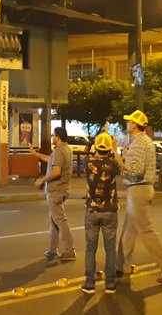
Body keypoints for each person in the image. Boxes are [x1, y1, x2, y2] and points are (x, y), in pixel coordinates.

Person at [117, 110, 162, 283]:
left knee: (146, 231)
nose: (127, 124)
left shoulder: (139, 143)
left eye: (129, 121)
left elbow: (136, 170)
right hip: (140, 189)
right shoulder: (143, 141)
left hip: (138, 189)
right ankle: (122, 267)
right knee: (129, 232)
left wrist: (119, 161)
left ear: (135, 124)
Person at [81, 132, 120, 295]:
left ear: (96, 147)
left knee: (90, 249)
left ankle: (90, 284)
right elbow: (120, 164)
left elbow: (90, 153)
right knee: (110, 249)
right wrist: (115, 148)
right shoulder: (113, 165)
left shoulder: (87, 162)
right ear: (109, 148)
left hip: (92, 210)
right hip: (110, 210)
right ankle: (110, 284)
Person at [29, 126, 75, 261]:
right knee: (54, 219)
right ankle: (52, 249)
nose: (52, 138)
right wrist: (36, 154)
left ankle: (69, 249)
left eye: (53, 135)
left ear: (57, 137)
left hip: (56, 190)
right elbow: (52, 160)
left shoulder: (59, 151)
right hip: (61, 189)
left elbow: (56, 171)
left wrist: (41, 180)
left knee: (60, 220)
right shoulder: (65, 150)